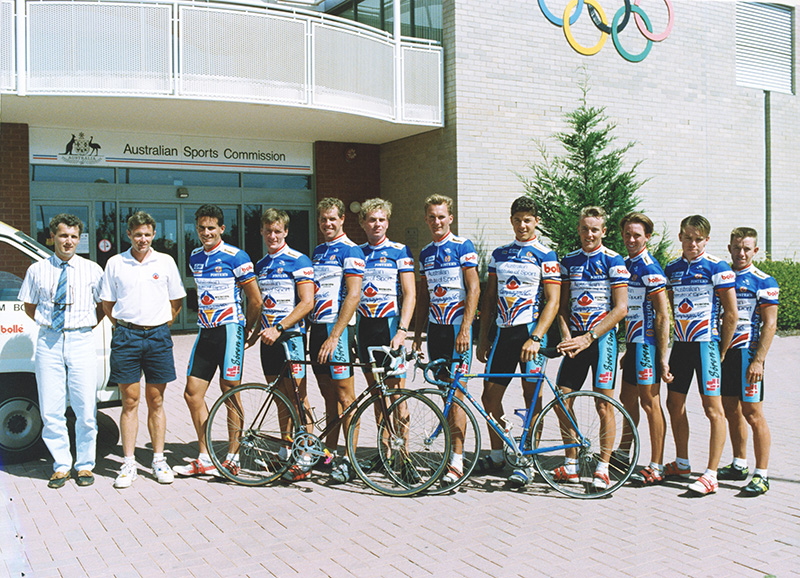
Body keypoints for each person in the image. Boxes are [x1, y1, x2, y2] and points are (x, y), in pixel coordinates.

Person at [330, 198, 416, 483]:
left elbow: (410, 294)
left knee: (397, 397)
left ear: (387, 222)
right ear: (362, 223)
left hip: (390, 329)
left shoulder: (399, 251)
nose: (376, 225)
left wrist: (402, 330)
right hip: (365, 329)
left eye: (381, 220)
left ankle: (404, 458)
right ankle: (384, 453)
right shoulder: (357, 252)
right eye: (371, 220)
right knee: (377, 396)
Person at [476, 196, 560, 487]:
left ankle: (527, 460)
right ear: (511, 220)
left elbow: (553, 301)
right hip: (503, 334)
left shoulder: (546, 255)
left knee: (531, 397)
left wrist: (536, 337)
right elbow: (488, 300)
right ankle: (498, 454)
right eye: (517, 219)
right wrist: (482, 337)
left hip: (530, 334)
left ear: (536, 221)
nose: (522, 225)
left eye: (528, 220)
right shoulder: (500, 254)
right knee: (489, 397)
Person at [174, 204, 262, 476]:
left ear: (221, 229)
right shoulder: (195, 256)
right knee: (192, 394)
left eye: (211, 227)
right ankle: (206, 455)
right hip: (205, 331)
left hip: (229, 330)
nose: (205, 232)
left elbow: (255, 300)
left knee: (230, 393)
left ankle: (233, 456)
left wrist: (248, 330)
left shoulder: (236, 256)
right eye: (201, 227)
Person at [18, 214, 104, 488]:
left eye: (74, 236)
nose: (68, 241)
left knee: (85, 408)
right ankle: (61, 465)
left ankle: (85, 466)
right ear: (53, 237)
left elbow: (103, 306)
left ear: (80, 239)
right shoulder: (37, 270)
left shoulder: (92, 270)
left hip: (81, 340)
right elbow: (29, 306)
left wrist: (81, 327)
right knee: (51, 408)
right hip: (49, 342)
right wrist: (52, 326)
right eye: (63, 235)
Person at [100, 212, 186, 488]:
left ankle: (159, 460)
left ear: (154, 234)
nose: (143, 239)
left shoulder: (166, 261)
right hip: (126, 336)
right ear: (128, 235)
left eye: (147, 234)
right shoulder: (115, 263)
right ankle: (128, 463)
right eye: (138, 234)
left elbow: (176, 301)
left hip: (158, 336)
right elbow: (107, 304)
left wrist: (157, 324)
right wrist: (129, 326)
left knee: (156, 400)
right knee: (129, 401)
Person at [555, 206, 629, 491]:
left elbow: (620, 308)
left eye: (595, 230)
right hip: (574, 341)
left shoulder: (614, 260)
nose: (589, 234)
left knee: (603, 404)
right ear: (578, 229)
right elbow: (561, 307)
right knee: (562, 400)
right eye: (585, 229)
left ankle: (603, 466)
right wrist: (566, 337)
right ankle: (571, 464)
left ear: (604, 232)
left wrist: (589, 337)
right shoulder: (569, 260)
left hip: (602, 342)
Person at [663, 215, 737, 496]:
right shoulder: (673, 268)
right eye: (687, 238)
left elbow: (731, 314)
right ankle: (682, 462)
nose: (692, 244)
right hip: (682, 345)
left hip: (707, 345)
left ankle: (711, 474)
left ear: (706, 240)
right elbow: (671, 308)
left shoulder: (717, 266)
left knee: (712, 409)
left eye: (698, 239)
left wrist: (721, 351)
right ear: (680, 237)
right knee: (674, 403)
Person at [412, 194, 480, 484]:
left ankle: (457, 460)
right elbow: (424, 296)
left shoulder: (462, 246)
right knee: (445, 395)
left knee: (458, 396)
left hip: (457, 331)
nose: (437, 221)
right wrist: (417, 335)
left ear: (450, 218)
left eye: (442, 216)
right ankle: (450, 454)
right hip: (436, 332)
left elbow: (474, 288)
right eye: (432, 217)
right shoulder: (426, 253)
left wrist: (466, 328)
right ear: (426, 219)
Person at [246, 209, 314, 480]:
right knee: (279, 396)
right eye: (268, 231)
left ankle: (306, 455)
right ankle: (287, 451)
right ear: (262, 233)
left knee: (299, 397)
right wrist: (253, 334)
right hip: (268, 340)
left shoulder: (299, 260)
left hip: (291, 338)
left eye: (278, 231)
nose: (273, 236)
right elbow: (259, 304)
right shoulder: (260, 265)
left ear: (286, 232)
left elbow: (307, 302)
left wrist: (280, 328)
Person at [719, 227, 778, 496]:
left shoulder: (764, 280)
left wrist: (759, 361)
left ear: (755, 251)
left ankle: (762, 474)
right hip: (725, 353)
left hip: (748, 355)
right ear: (729, 248)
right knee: (731, 410)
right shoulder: (721, 277)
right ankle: (739, 464)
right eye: (736, 247)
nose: (741, 253)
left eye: (747, 248)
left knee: (753, 414)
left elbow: (770, 323)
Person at [309, 197, 365, 479]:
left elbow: (354, 296)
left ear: (342, 219)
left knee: (346, 397)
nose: (328, 224)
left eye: (333, 218)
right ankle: (328, 454)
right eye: (323, 219)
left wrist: (335, 336)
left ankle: (351, 460)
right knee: (327, 394)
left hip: (338, 332)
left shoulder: (351, 250)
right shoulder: (318, 252)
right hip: (317, 329)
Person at [616, 212, 672, 486]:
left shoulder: (650, 267)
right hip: (634, 346)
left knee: (650, 404)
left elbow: (663, 315)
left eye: (636, 235)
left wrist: (663, 356)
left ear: (647, 237)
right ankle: (623, 452)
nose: (631, 239)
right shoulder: (627, 264)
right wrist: (627, 347)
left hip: (648, 345)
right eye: (627, 234)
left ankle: (657, 464)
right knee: (627, 399)